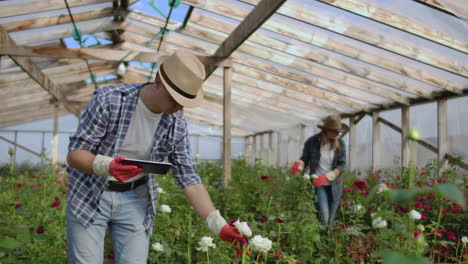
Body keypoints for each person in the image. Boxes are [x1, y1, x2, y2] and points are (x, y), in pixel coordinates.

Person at [65, 50, 248, 264]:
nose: (179, 106)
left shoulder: (176, 125)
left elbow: (189, 178)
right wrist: (107, 166)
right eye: (175, 98)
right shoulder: (110, 100)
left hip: (135, 197)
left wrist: (219, 225)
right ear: (158, 81)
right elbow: (75, 154)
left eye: (185, 101)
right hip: (90, 192)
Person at [290, 115, 347, 227]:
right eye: (335, 131)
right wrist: (299, 164)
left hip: (335, 186)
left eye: (338, 132)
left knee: (331, 219)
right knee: (324, 217)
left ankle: (327, 241)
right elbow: (305, 159)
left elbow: (342, 164)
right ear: (326, 130)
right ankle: (322, 239)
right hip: (319, 184)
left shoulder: (340, 144)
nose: (337, 134)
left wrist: (328, 176)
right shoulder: (312, 142)